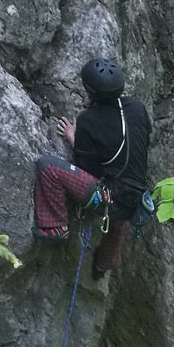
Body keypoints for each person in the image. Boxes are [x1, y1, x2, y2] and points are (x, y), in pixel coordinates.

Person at [33, 57, 151, 277]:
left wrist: (73, 137)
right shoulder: (137, 108)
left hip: (109, 198)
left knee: (47, 166)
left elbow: (87, 169)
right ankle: (104, 264)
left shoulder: (89, 120)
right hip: (136, 197)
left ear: (90, 92)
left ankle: (55, 226)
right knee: (119, 215)